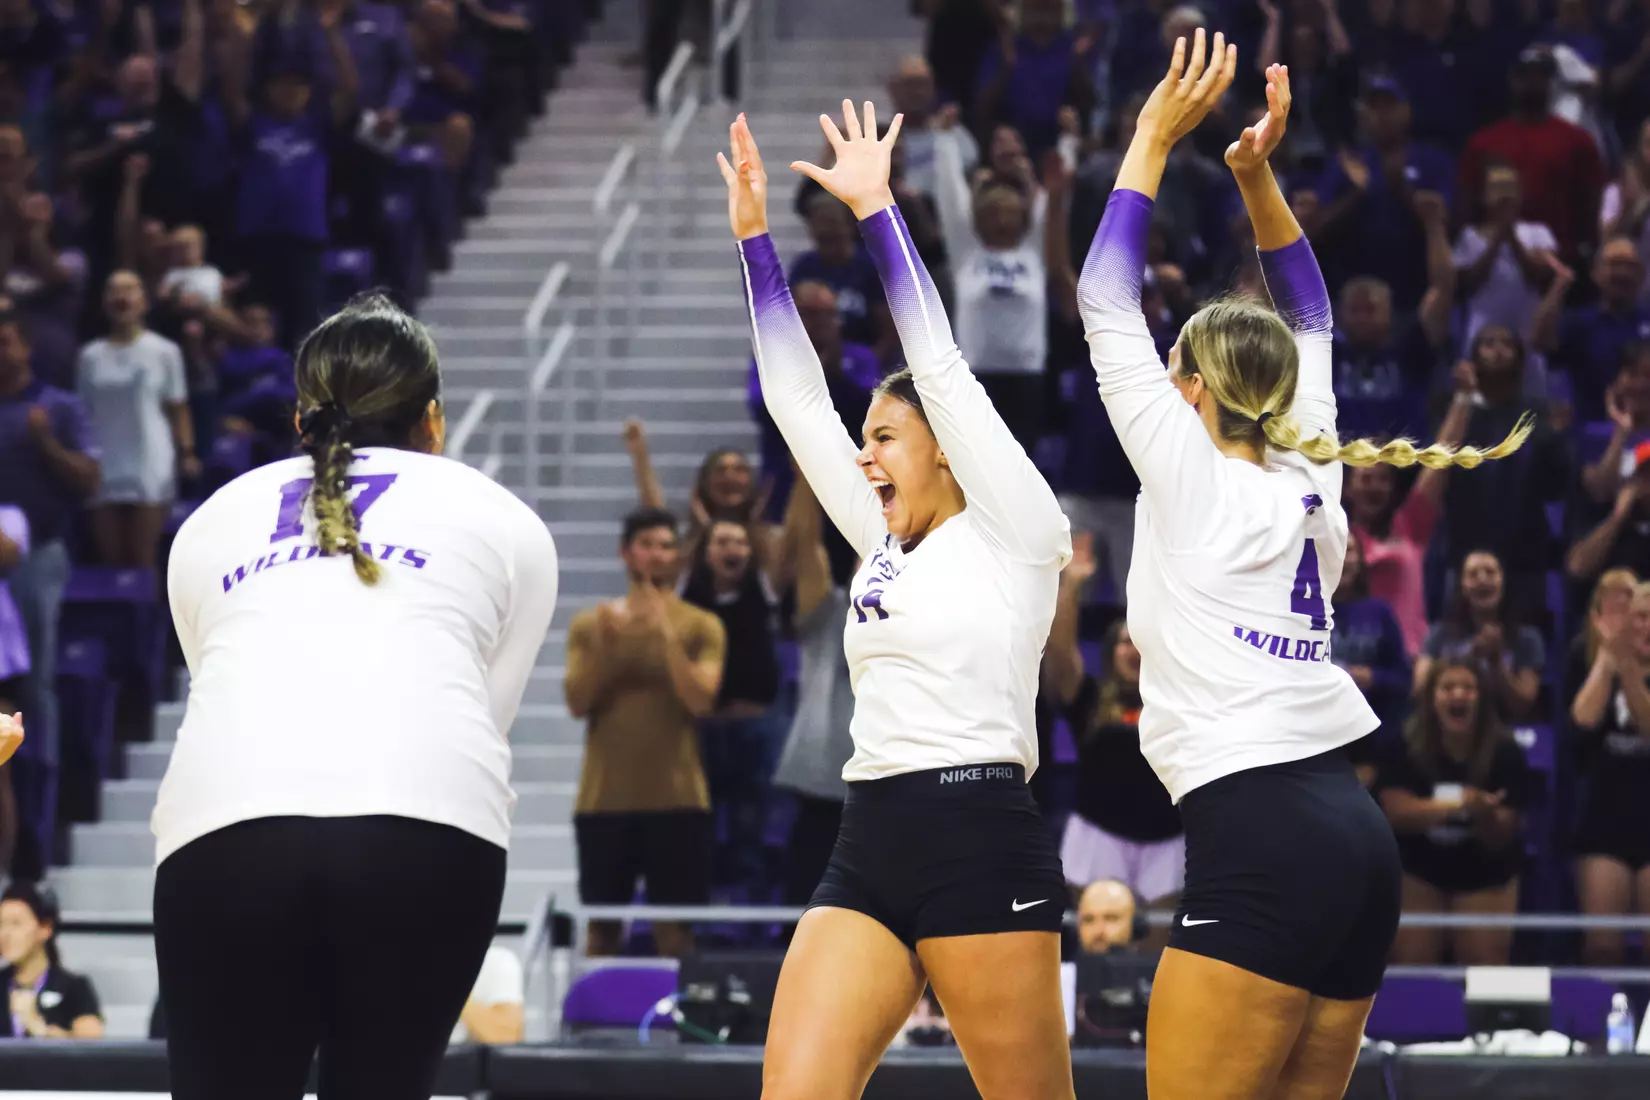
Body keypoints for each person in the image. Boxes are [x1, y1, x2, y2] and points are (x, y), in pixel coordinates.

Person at [1076, 48, 1530, 1099]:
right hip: (1353, 837)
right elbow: (1311, 309)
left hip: (1261, 831)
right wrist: (1253, 174)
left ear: (1187, 387)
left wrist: (1150, 137)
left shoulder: (1189, 470)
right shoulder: (1309, 462)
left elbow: (1105, 301)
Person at [722, 102, 1074, 1099]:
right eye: (864, 434)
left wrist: (879, 211)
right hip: (867, 835)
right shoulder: (879, 535)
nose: (863, 452)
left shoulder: (1017, 527)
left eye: (884, 434)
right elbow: (795, 400)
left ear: (945, 448)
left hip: (981, 833)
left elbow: (947, 371)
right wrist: (755, 238)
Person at [151, 294, 559, 1100]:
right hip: (426, 825)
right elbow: (483, 715)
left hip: (226, 824)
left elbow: (219, 678)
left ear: (301, 420)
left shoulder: (211, 520)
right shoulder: (505, 520)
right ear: (432, 421)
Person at [564, 506, 724, 959]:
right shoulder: (591, 624)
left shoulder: (702, 624)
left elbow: (701, 700)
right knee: (601, 932)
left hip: (678, 801)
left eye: (667, 545)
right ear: (625, 553)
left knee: (676, 935)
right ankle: (591, 1028)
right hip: (603, 801)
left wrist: (666, 634)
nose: (657, 555)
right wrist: (607, 648)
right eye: (647, 545)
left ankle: (680, 1028)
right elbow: (577, 702)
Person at [1376, 659, 1527, 966]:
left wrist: (1484, 815)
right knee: (1411, 960)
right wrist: (1463, 803)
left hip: (1485, 870)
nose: (1458, 694)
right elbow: (1395, 813)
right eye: (1448, 687)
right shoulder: (1403, 743)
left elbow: (1502, 836)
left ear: (1482, 699)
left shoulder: (1505, 750)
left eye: (1468, 688)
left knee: (1484, 961)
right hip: (1419, 867)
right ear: (1431, 698)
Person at [0, 881, 103, 1039]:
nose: (5, 934)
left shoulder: (74, 987)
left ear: (45, 928)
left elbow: (92, 1046)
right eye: (1, 924)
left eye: (16, 924)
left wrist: (41, 1030)